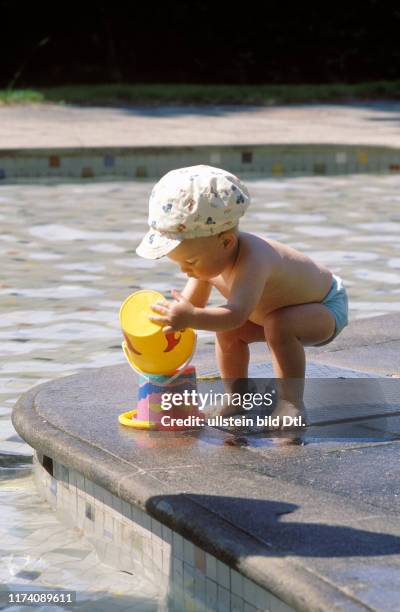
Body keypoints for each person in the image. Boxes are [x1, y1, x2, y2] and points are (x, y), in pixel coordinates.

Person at [136, 165, 348, 427]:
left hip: (323, 307)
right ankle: (237, 399)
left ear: (225, 242)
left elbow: (236, 314)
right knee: (226, 331)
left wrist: (191, 316)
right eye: (179, 263)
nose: (185, 270)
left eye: (190, 261)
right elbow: (195, 306)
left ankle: (291, 403)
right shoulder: (207, 263)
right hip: (268, 312)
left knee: (278, 325)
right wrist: (172, 319)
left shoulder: (254, 260)